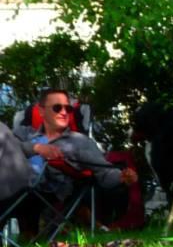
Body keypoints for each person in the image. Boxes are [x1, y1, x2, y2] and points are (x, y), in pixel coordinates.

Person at [13, 88, 137, 225]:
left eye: (68, 108)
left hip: (43, 192)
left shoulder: (79, 142)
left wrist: (121, 177)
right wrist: (35, 148)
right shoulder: (23, 134)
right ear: (41, 111)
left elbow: (104, 172)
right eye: (57, 108)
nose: (64, 112)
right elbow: (6, 148)